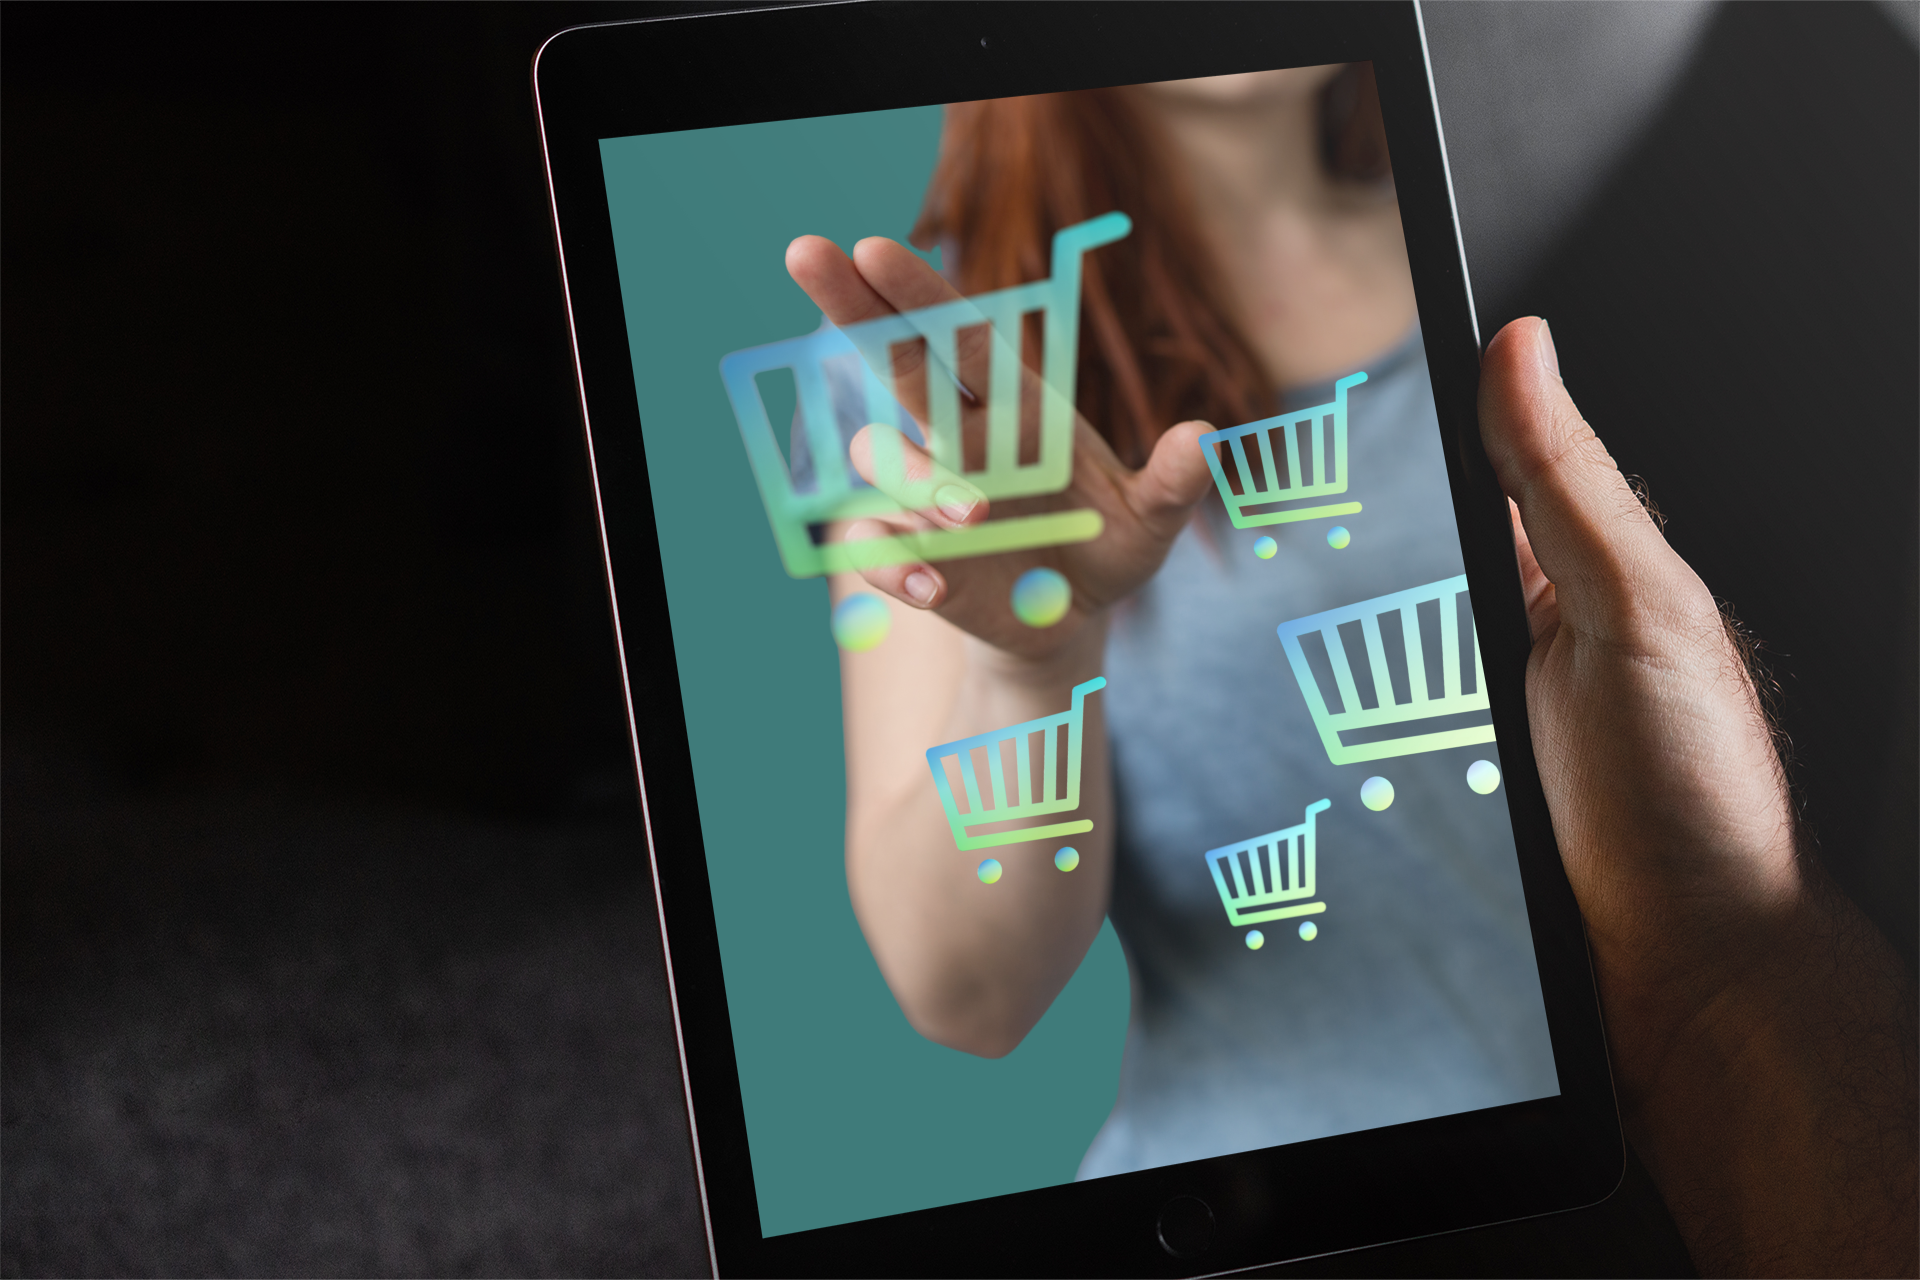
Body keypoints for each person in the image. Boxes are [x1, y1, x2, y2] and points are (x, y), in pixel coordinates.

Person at [787, 67, 1917, 1276]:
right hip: (1248, 1233)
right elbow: (966, 995)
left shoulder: (1535, 240)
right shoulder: (927, 354)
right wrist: (1038, 660)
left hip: (1670, 1200)